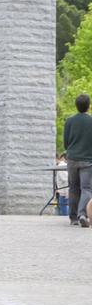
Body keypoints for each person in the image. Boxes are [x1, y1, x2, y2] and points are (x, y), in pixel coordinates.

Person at [62, 93, 92, 227]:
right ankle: (82, 214)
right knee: (86, 188)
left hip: (72, 158)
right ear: (89, 106)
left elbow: (66, 142)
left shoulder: (69, 121)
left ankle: (73, 218)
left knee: (73, 188)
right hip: (87, 160)